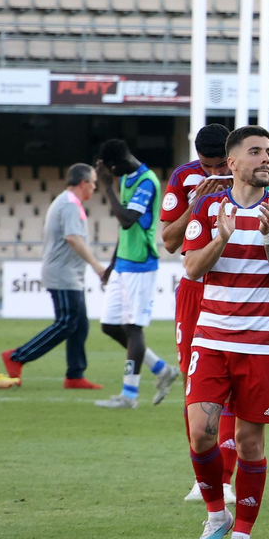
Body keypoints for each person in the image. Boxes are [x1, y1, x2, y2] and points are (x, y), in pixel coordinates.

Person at [182, 126, 269, 539]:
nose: (266, 159)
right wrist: (221, 238)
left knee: (251, 445)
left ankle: (243, 537)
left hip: (259, 346)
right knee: (201, 434)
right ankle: (217, 514)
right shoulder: (210, 206)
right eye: (256, 152)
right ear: (232, 163)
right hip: (212, 338)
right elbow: (193, 267)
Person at [160, 124, 236, 503]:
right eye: (208, 167)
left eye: (221, 166)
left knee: (235, 385)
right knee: (195, 386)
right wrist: (197, 204)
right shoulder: (184, 178)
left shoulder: (250, 178)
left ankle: (226, 476)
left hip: (236, 289)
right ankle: (204, 476)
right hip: (195, 289)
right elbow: (170, 242)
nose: (215, 174)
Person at [1, 164, 109, 390]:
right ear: (83, 183)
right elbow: (73, 238)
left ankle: (75, 374)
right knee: (67, 323)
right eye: (93, 183)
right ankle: (17, 356)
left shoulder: (69, 202)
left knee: (79, 325)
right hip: (63, 274)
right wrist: (97, 266)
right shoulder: (69, 204)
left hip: (70, 275)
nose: (94, 187)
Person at [93, 139, 174, 410]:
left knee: (133, 328)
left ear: (115, 166)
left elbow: (128, 219)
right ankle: (161, 368)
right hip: (124, 264)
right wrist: (112, 264)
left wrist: (106, 187)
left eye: (108, 170)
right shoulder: (127, 178)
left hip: (141, 264)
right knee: (110, 325)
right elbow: (125, 230)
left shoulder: (147, 181)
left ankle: (129, 395)